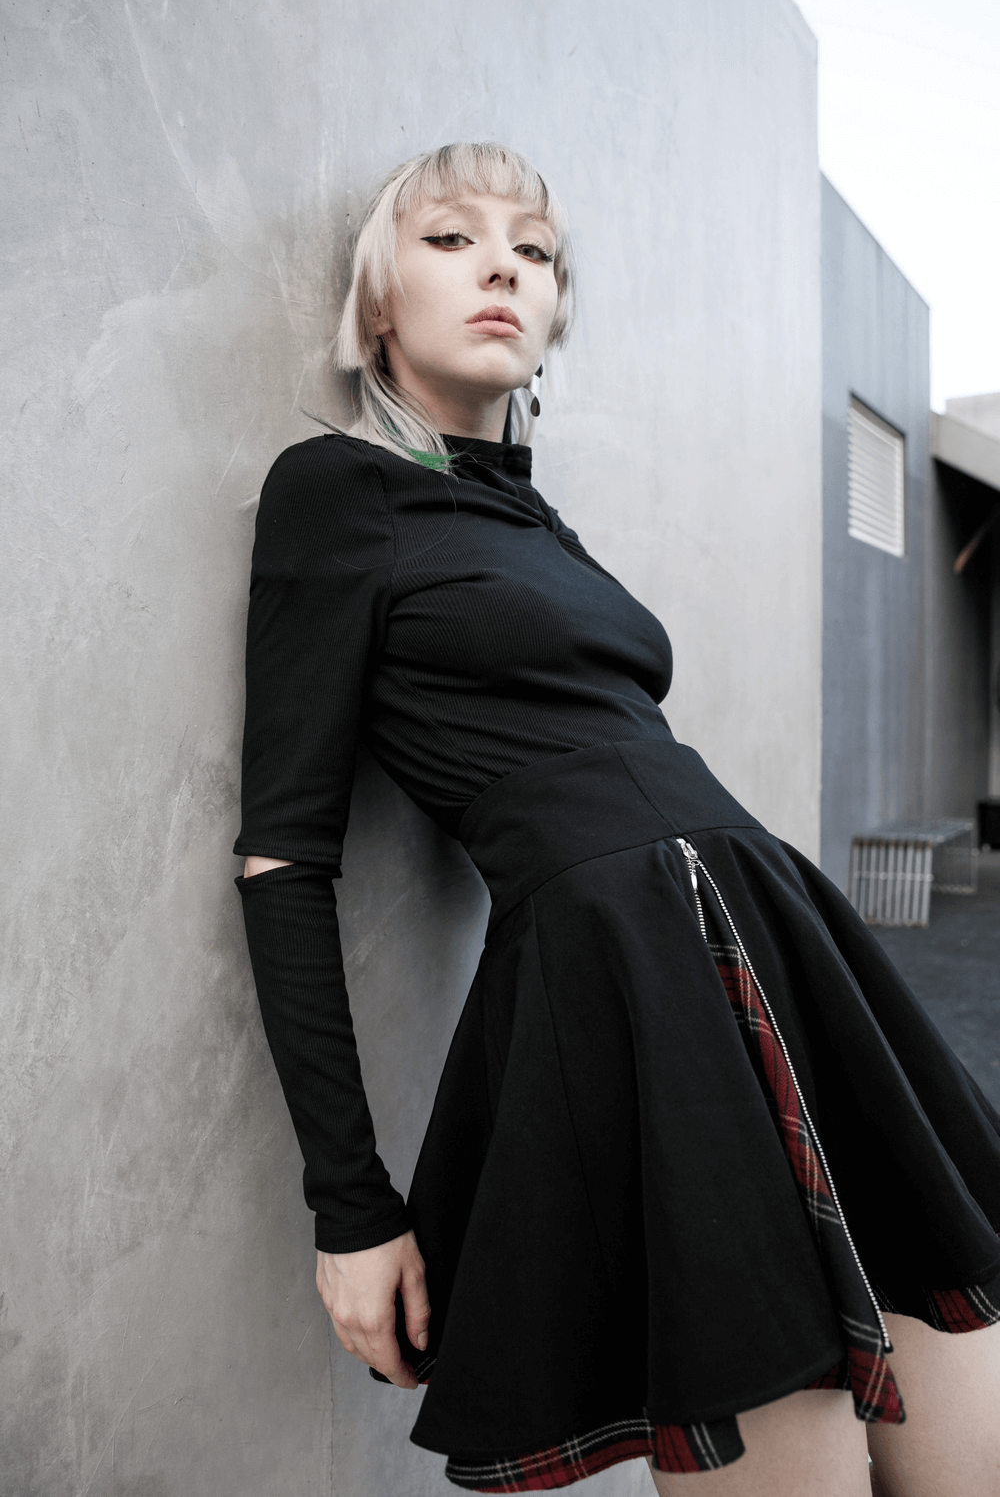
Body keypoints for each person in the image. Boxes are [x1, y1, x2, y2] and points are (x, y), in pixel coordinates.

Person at [233, 143, 1000, 1495]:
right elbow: (285, 858)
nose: (501, 270)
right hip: (625, 971)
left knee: (964, 1377)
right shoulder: (332, 494)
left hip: (773, 924)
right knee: (786, 1414)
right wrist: (350, 1207)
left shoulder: (536, 519)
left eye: (532, 253)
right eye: (453, 239)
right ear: (374, 303)